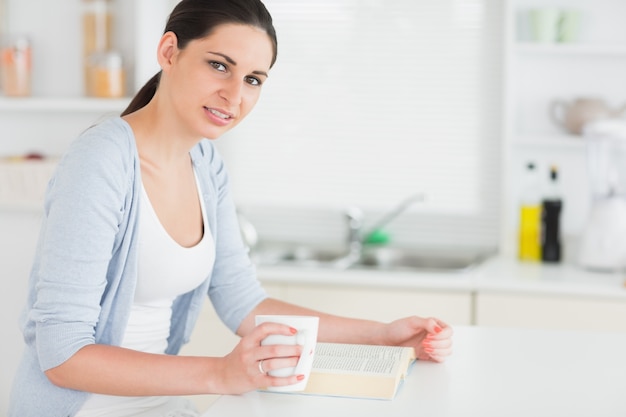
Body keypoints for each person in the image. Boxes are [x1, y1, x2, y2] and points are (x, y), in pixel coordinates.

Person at [9, 0, 453, 416]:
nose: (234, 95)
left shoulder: (204, 164)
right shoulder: (101, 162)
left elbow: (244, 302)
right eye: (219, 65)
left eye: (253, 80)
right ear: (169, 51)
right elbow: (62, 353)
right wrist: (220, 373)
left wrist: (382, 336)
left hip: (158, 405)